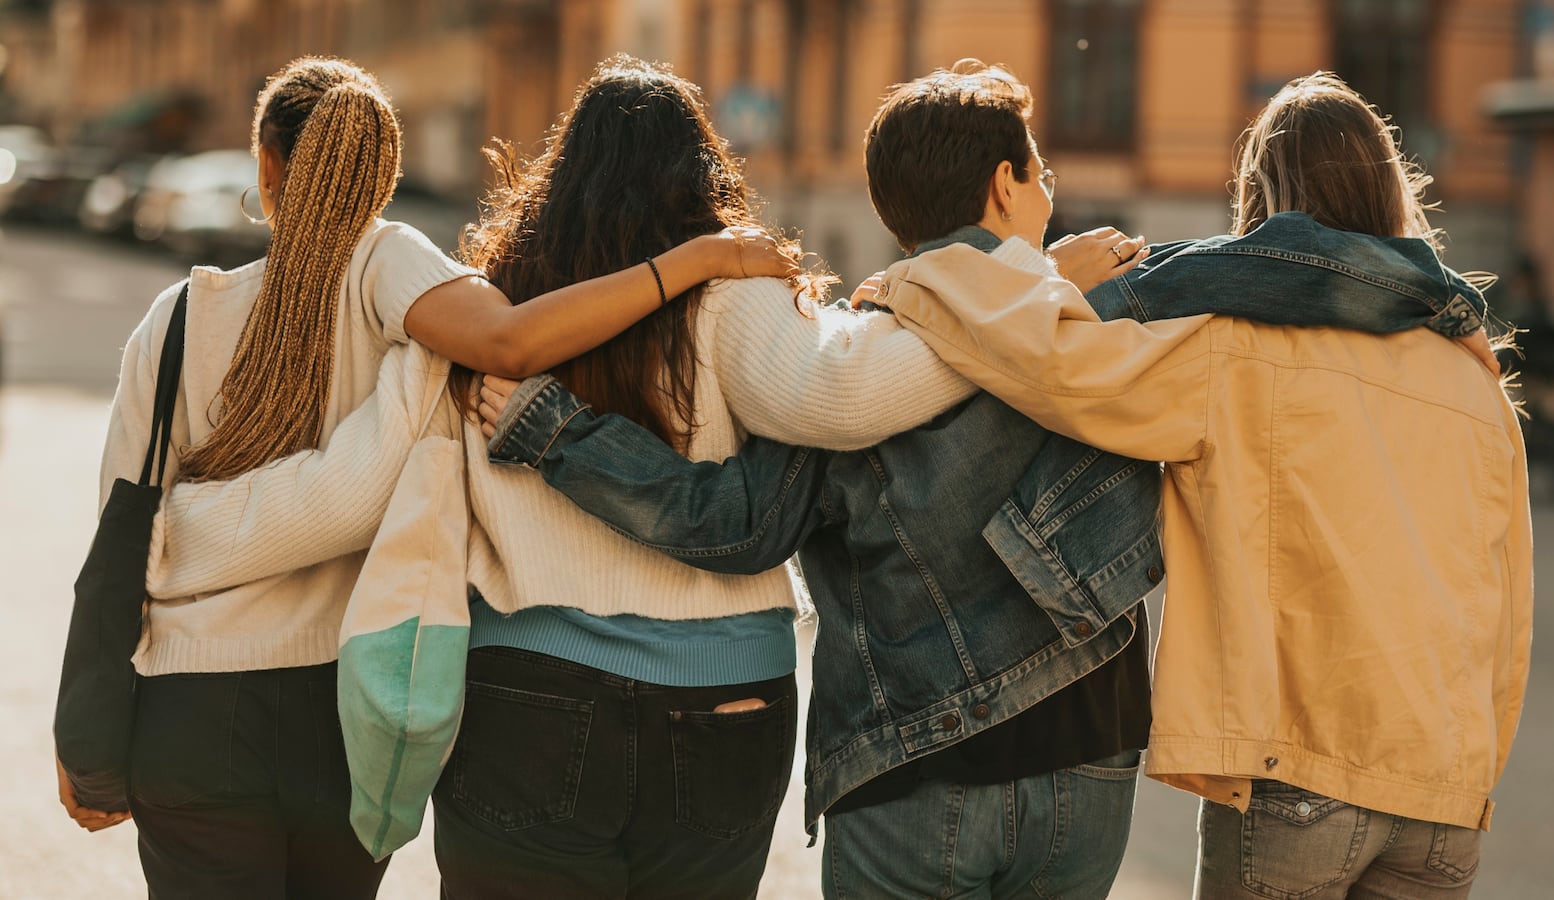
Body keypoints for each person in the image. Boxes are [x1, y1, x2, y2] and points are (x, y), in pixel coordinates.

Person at [473, 64, 1487, 899]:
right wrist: (1431, 296)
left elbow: (738, 525)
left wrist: (553, 430)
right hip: (1087, 756)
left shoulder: (851, 352)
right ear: (1006, 186)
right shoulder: (1109, 311)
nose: (1046, 196)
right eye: (1038, 175)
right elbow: (1266, 268)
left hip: (906, 767)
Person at [116, 55, 1070, 899]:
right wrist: (1032, 293)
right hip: (726, 704)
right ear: (705, 178)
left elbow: (365, 482)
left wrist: (178, 535)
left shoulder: (493, 306)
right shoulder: (734, 297)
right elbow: (853, 395)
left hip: (526, 701)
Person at [58, 56, 793, 899]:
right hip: (335, 711)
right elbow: (508, 346)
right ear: (386, 171)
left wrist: (88, 736)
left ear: (266, 167)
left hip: (181, 716)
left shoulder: (177, 321)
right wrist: (697, 259)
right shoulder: (395, 273)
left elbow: (120, 533)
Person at [865, 73, 1529, 898]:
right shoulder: (1475, 379)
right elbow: (1508, 603)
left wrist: (926, 284)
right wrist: (1475, 770)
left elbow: (1057, 366)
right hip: (1443, 787)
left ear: (1264, 199)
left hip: (1299, 775)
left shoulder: (1238, 345)